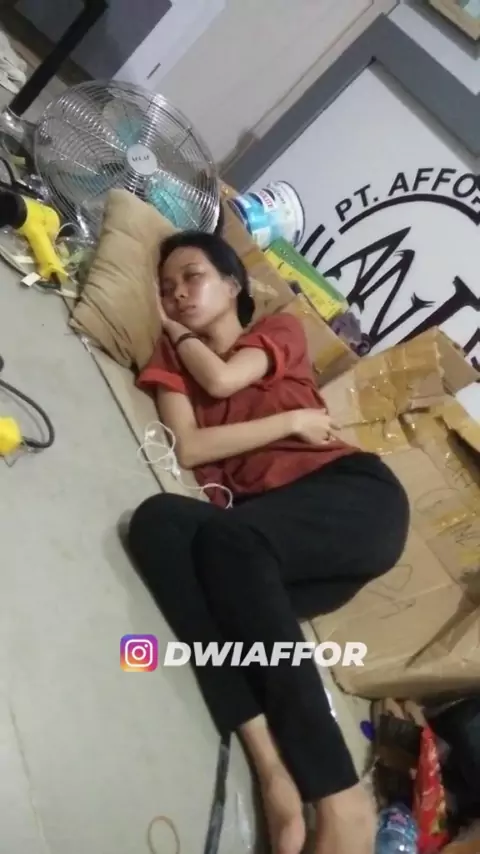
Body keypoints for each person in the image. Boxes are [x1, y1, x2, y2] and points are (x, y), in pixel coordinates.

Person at [127, 231, 410, 854]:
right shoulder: (171, 362)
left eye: (193, 276)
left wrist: (181, 335)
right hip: (261, 547)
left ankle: (341, 802)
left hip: (352, 502)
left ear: (233, 285)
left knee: (230, 543)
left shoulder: (279, 332)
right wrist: (291, 420)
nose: (178, 295)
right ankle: (275, 773)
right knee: (158, 522)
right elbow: (190, 448)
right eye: (166, 289)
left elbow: (225, 381)